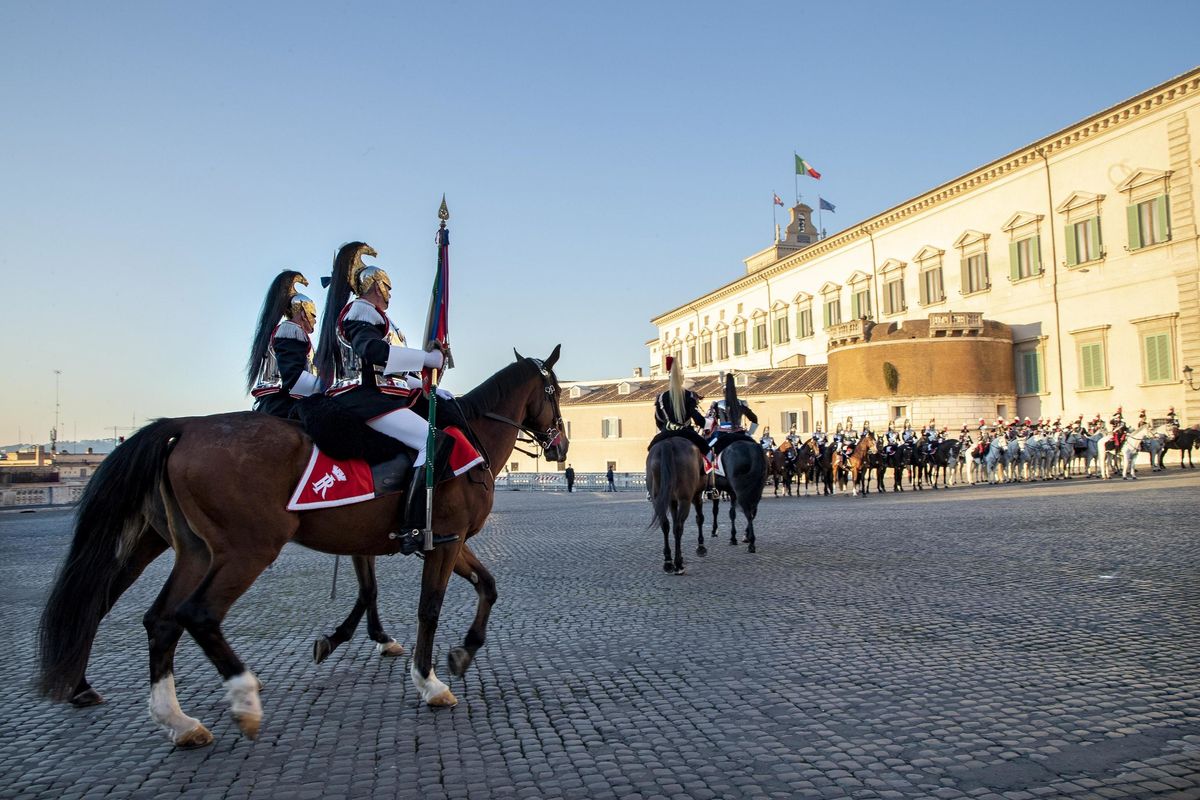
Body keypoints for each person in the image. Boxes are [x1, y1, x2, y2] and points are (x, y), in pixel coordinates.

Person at [314, 241, 452, 545]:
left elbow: (386, 370)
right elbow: (373, 352)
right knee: (432, 442)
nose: (389, 294)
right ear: (376, 285)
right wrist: (426, 358)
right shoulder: (362, 310)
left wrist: (423, 385)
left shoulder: (368, 313)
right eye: (387, 287)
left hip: (373, 395)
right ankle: (413, 526)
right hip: (364, 400)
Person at [248, 270, 321, 419]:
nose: (315, 320)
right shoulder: (291, 330)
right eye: (313, 315)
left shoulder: (289, 331)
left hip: (279, 400)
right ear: (303, 313)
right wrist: (325, 387)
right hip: (283, 403)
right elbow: (292, 375)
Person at [651, 355, 710, 457]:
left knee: (651, 450)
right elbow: (696, 417)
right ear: (682, 379)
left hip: (666, 432)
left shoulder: (661, 397)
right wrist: (704, 424)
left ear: (669, 379)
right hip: (687, 432)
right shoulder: (689, 395)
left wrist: (666, 429)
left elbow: (659, 420)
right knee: (707, 452)